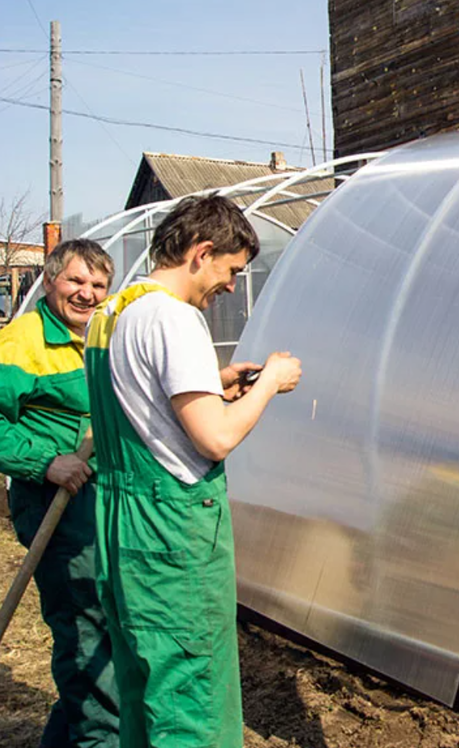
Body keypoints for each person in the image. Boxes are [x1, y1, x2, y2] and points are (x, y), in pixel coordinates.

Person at [84, 195, 301, 748]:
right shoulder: (174, 319)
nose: (231, 285)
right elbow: (217, 438)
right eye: (231, 270)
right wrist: (271, 381)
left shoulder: (115, 313)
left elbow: (145, 410)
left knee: (145, 689)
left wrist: (217, 384)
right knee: (190, 702)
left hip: (122, 526)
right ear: (202, 252)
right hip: (170, 536)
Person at [0, 239, 120, 748]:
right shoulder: (22, 340)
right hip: (55, 507)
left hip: (102, 505)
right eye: (75, 281)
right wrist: (46, 462)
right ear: (49, 280)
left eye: (97, 285)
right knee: (85, 626)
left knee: (103, 634)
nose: (87, 294)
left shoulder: (104, 336)